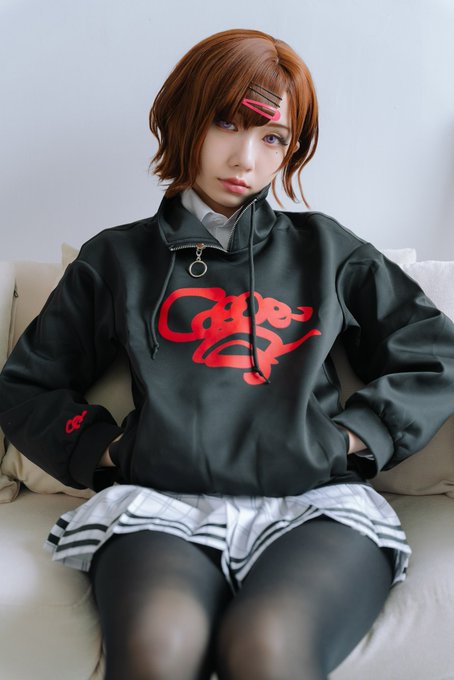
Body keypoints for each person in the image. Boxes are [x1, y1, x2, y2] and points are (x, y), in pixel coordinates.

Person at [1, 28, 454, 680]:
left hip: (316, 507)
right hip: (162, 507)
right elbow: (26, 387)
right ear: (183, 118)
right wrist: (111, 450)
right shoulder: (117, 259)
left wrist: (349, 439)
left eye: (272, 138)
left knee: (267, 647)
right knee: (158, 648)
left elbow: (436, 356)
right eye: (226, 123)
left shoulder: (326, 252)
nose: (245, 157)